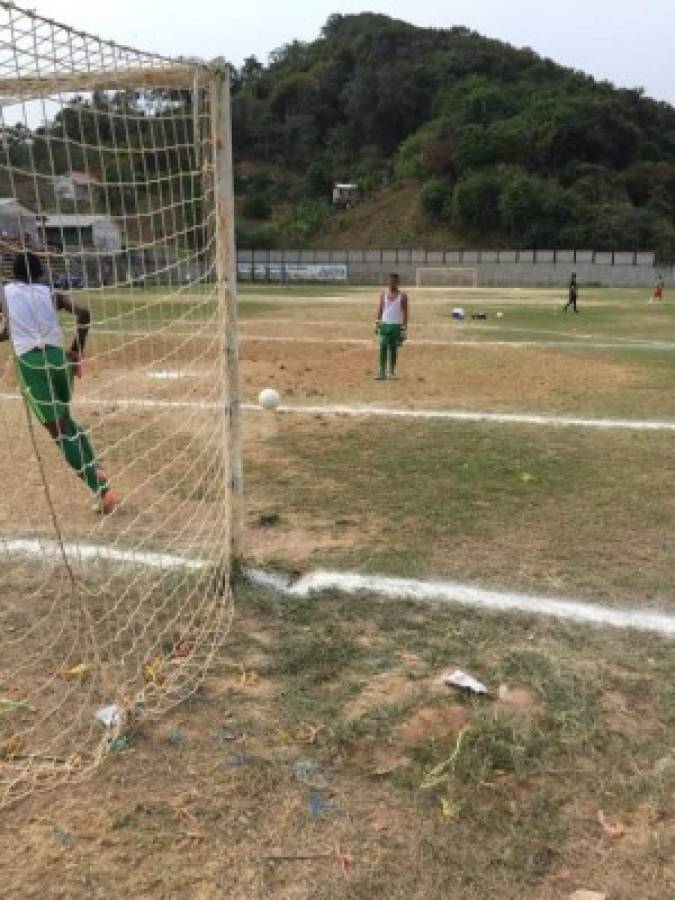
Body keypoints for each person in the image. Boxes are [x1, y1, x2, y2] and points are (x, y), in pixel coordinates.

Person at [0, 251, 119, 513]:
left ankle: (103, 492)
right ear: (40, 273)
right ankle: (96, 469)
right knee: (66, 418)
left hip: (33, 364)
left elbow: (11, 327)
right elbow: (84, 313)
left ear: (13, 273)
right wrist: (76, 351)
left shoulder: (4, 294)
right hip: (59, 359)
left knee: (58, 432)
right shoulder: (49, 293)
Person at [375, 273, 408, 380]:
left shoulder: (403, 296)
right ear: (388, 282)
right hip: (385, 324)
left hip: (396, 326)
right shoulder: (383, 294)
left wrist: (403, 328)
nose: (392, 283)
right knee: (383, 346)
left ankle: (392, 371)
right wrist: (377, 323)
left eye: (394, 281)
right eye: (390, 281)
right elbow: (380, 309)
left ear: (398, 282)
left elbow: (405, 312)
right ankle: (381, 371)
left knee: (393, 349)